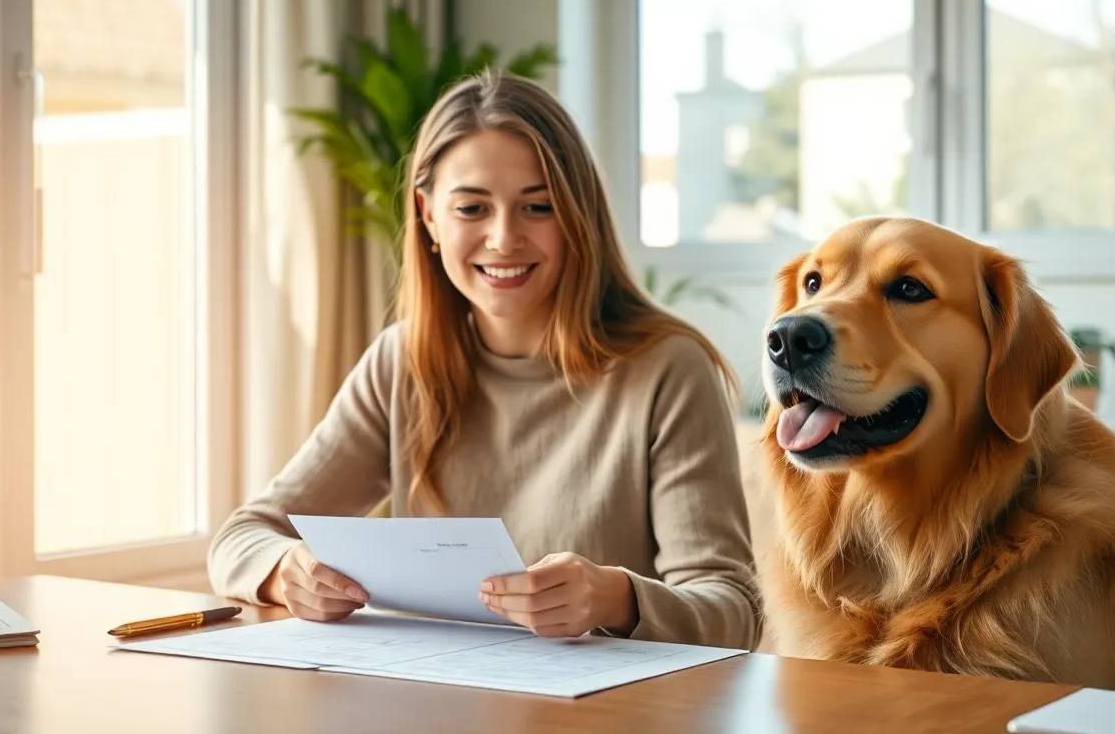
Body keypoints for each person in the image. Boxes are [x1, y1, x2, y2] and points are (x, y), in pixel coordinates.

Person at [206, 70, 761, 651]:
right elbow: (241, 538)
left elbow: (733, 610)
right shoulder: (402, 362)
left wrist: (613, 596)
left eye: (538, 207)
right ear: (427, 216)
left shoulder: (668, 369)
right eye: (472, 208)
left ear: (578, 217)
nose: (503, 238)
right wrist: (286, 569)